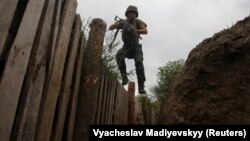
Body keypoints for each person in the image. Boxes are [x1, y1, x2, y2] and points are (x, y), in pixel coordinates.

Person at [108, 5, 148, 94]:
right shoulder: (123, 22)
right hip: (126, 47)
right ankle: (124, 77)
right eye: (129, 13)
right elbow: (111, 27)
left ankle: (141, 86)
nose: (131, 14)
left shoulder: (138, 22)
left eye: (133, 13)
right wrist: (118, 25)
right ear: (127, 14)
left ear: (136, 15)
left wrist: (136, 31)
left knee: (139, 62)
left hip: (136, 47)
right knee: (118, 56)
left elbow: (145, 31)